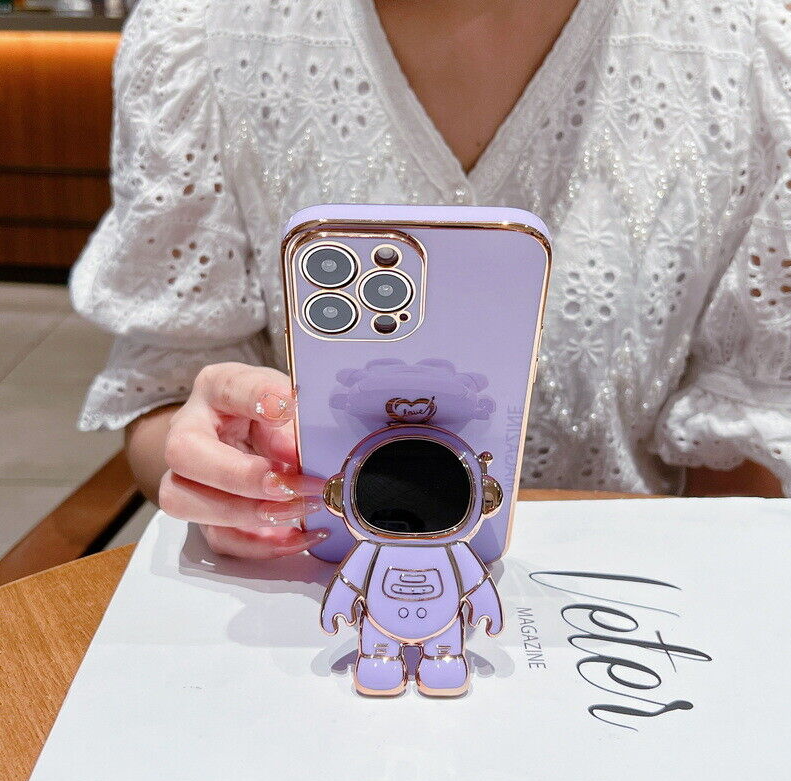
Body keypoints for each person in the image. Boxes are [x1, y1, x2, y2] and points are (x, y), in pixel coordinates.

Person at [71, 0, 791, 559]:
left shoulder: (747, 53)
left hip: (620, 623)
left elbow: (740, 457)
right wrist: (218, 469)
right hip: (311, 602)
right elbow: (166, 389)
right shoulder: (204, 35)